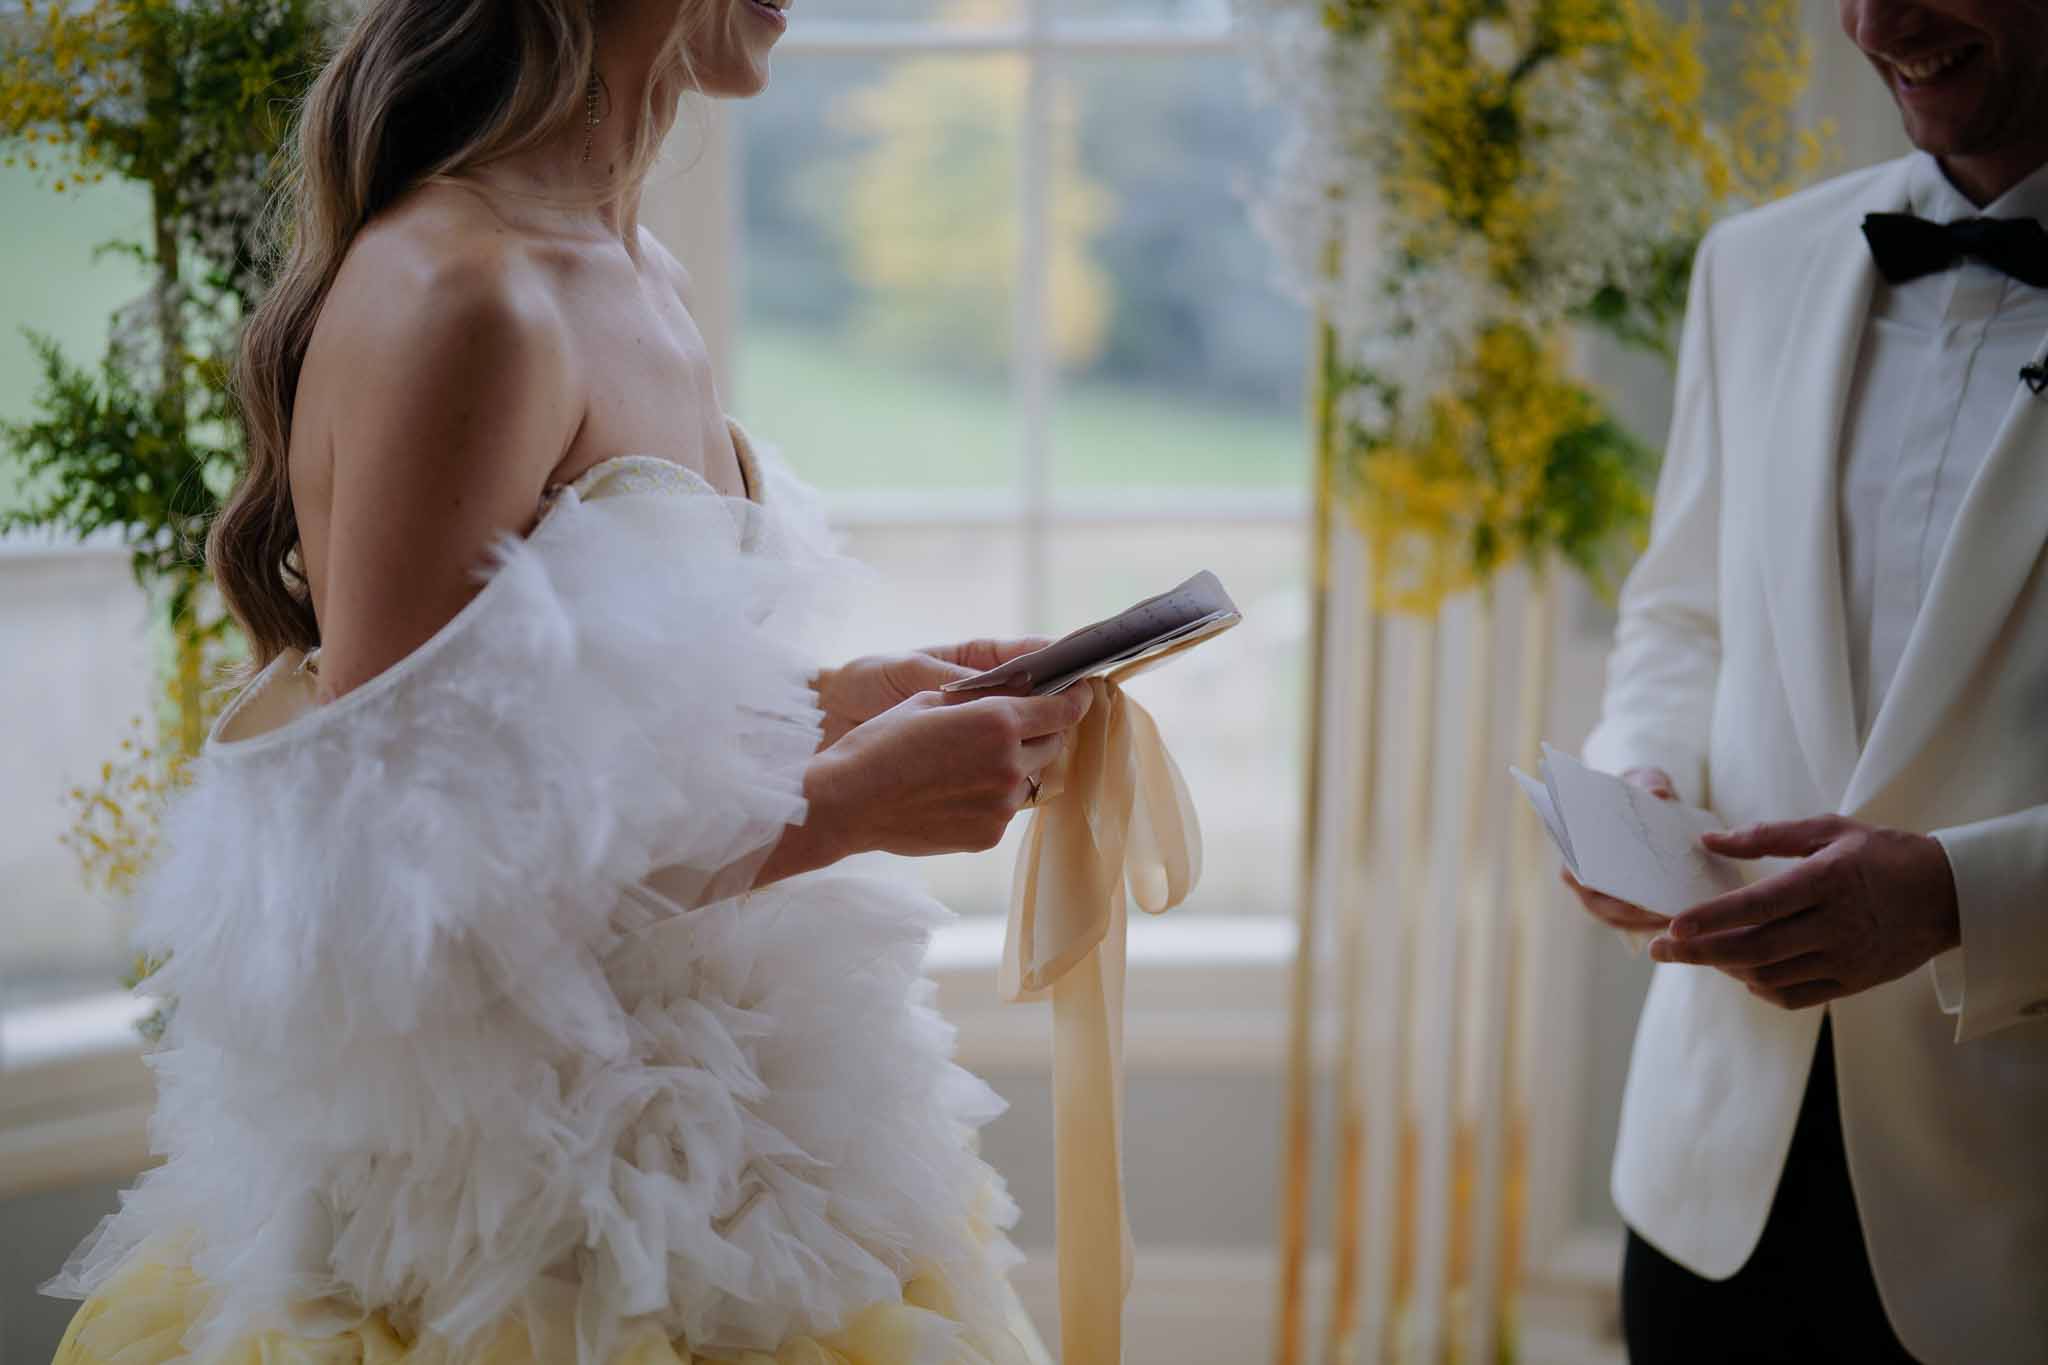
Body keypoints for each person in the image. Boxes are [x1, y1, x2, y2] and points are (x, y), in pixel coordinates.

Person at [39, 2, 1088, 1363]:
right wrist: (838, 808)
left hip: (727, 1174)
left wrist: (854, 704)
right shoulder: (467, 298)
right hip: (520, 1251)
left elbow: (593, 747)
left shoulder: (639, 268)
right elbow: (399, 869)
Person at [1566, 1, 2048, 1361]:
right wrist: (1635, 781)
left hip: (2021, 1216)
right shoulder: (1757, 264)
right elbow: (1682, 613)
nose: (1883, 20)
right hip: (1713, 1182)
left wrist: (1960, 895)